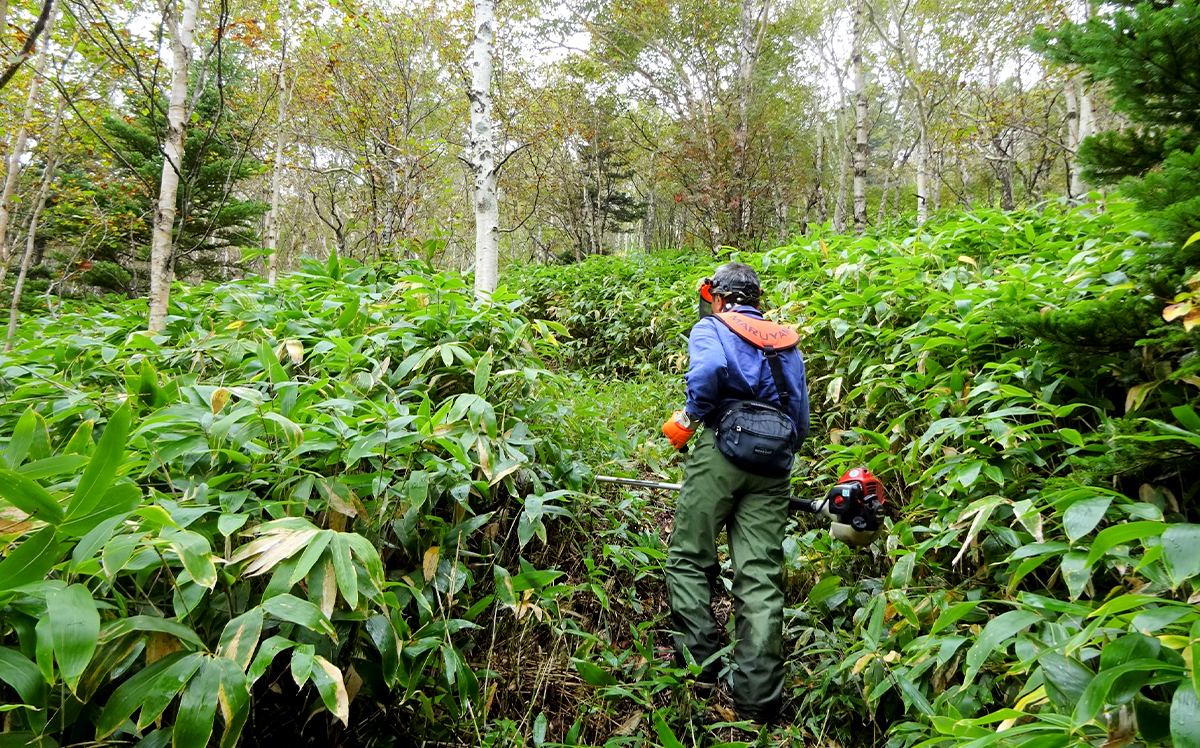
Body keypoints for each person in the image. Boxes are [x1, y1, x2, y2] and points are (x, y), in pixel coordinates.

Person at [660, 261, 810, 725]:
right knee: (760, 575)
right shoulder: (785, 340)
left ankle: (700, 666)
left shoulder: (712, 327)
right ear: (758, 301)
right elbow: (800, 411)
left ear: (718, 298)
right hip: (776, 460)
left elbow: (706, 375)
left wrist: (689, 418)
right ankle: (759, 699)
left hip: (721, 447)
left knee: (689, 554)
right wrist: (778, 451)